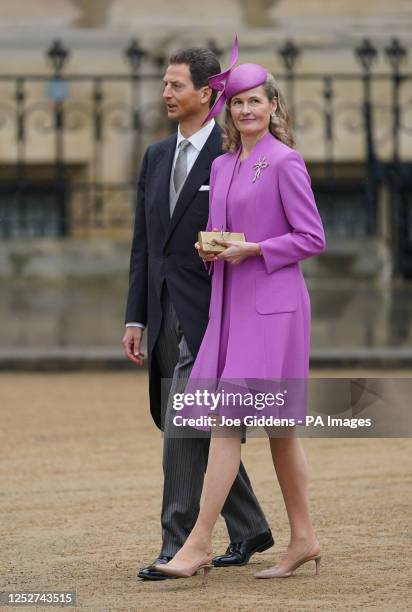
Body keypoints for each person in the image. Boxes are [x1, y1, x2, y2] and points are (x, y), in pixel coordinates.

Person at [153, 37, 326, 581]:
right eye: (239, 102)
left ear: (274, 105)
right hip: (230, 308)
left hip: (274, 310)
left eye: (257, 100)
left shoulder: (285, 162)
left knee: (229, 424)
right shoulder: (224, 165)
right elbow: (223, 232)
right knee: (277, 431)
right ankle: (303, 539)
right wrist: (213, 248)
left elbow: (312, 237)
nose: (247, 109)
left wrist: (256, 249)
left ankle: (198, 542)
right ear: (228, 107)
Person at [123, 45, 273, 581]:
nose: (165, 93)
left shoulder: (233, 154)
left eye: (175, 85)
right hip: (163, 311)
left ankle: (179, 543)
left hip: (216, 311)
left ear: (206, 93)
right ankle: (251, 525)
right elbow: (145, 245)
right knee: (180, 419)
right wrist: (135, 316)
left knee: (185, 424)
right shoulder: (156, 155)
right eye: (164, 84)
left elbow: (259, 224)